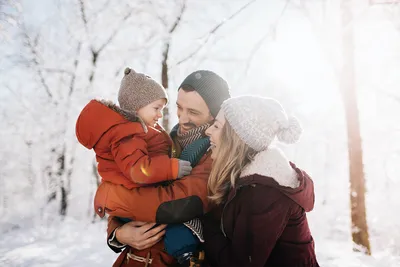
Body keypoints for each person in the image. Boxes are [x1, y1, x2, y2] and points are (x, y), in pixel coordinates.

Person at [95, 70, 231, 266]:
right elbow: (127, 181)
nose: (182, 119)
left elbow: (177, 203)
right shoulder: (160, 142)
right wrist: (119, 233)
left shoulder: (216, 155)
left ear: (214, 115)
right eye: (179, 107)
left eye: (193, 112)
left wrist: (113, 197)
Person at [76, 68, 198, 264]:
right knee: (174, 226)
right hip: (137, 220)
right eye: (156, 108)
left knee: (175, 225)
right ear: (137, 106)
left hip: (140, 211)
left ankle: (186, 253)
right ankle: (187, 254)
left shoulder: (140, 131)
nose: (160, 115)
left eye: (163, 109)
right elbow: (138, 170)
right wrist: (172, 168)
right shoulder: (128, 134)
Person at [203, 95, 319, 267]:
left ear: (235, 138)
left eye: (217, 126)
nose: (208, 131)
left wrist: (201, 224)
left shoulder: (264, 192)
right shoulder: (245, 179)